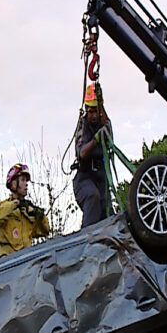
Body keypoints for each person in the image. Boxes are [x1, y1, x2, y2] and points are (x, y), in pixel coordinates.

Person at [73, 83, 112, 228]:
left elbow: (108, 127)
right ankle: (86, 240)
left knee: (109, 215)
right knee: (92, 196)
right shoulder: (83, 126)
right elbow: (81, 153)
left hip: (101, 181)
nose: (93, 115)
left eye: (96, 111)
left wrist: (101, 103)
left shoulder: (104, 125)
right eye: (90, 112)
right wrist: (95, 140)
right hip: (85, 179)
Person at [0, 163, 50, 258]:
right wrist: (17, 203)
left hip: (26, 261)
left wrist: (40, 217)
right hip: (7, 261)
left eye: (26, 181)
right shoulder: (4, 207)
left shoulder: (28, 210)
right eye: (23, 180)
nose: (26, 184)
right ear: (13, 184)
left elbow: (45, 231)